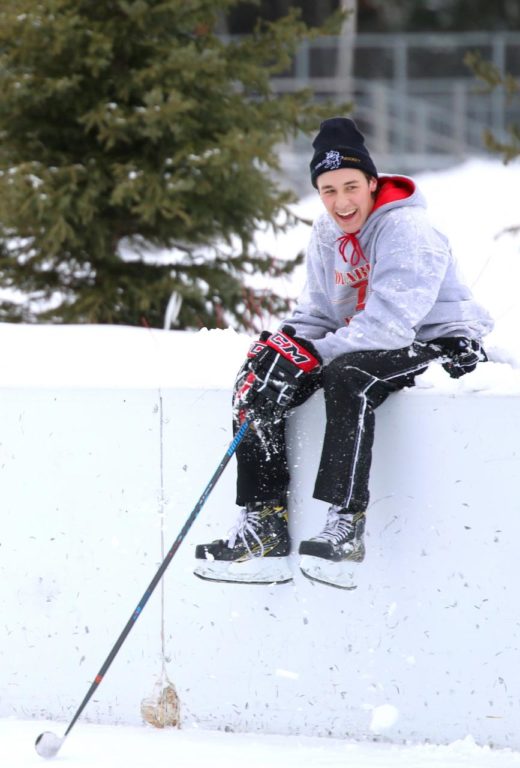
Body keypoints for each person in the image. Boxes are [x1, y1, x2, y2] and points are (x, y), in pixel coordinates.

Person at [193, 117, 494, 588]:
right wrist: (285, 345)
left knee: (349, 375)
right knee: (261, 377)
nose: (341, 201)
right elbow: (316, 313)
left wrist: (314, 353)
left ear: (373, 183)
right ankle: (264, 525)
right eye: (328, 190)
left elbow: (391, 327)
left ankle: (345, 525)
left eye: (351, 186)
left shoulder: (408, 230)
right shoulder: (326, 235)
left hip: (440, 342)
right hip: (364, 340)